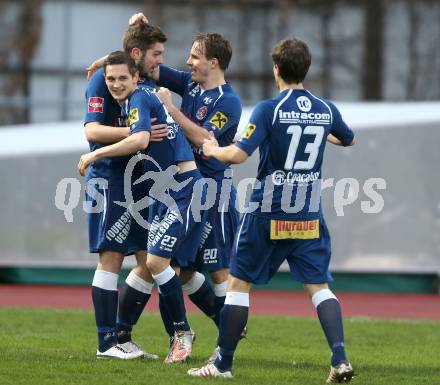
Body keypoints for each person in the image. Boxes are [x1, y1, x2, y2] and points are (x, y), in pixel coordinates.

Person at [187, 37, 355, 383]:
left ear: (276, 69)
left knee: (238, 285)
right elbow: (348, 138)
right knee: (319, 287)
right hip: (307, 210)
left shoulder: (269, 109)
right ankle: (339, 359)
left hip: (269, 208)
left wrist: (212, 148)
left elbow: (238, 154)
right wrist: (318, 132)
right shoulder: (325, 109)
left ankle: (222, 365)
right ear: (306, 69)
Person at [79, 50, 206, 363]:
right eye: (110, 79)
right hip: (167, 188)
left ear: (136, 77)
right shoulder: (148, 94)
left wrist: (93, 154)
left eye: (123, 77)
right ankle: (151, 337)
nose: (116, 84)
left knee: (158, 263)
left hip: (178, 189)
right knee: (155, 263)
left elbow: (138, 142)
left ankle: (179, 333)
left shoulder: (137, 99)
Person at [154, 31, 243, 361]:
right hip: (187, 191)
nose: (188, 62)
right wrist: (136, 33)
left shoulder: (228, 102)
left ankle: (225, 343)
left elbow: (206, 136)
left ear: (213, 62)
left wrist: (170, 109)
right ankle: (215, 327)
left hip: (214, 194)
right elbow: (150, 66)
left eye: (194, 56)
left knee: (218, 269)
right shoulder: (189, 83)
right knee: (182, 268)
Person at [83, 21, 167, 359]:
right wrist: (136, 133)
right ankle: (106, 343)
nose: (161, 61)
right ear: (137, 54)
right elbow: (92, 130)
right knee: (112, 256)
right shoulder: (100, 81)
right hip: (109, 178)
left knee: (150, 259)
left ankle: (122, 335)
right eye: (156, 55)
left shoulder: (143, 80)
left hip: (138, 179)